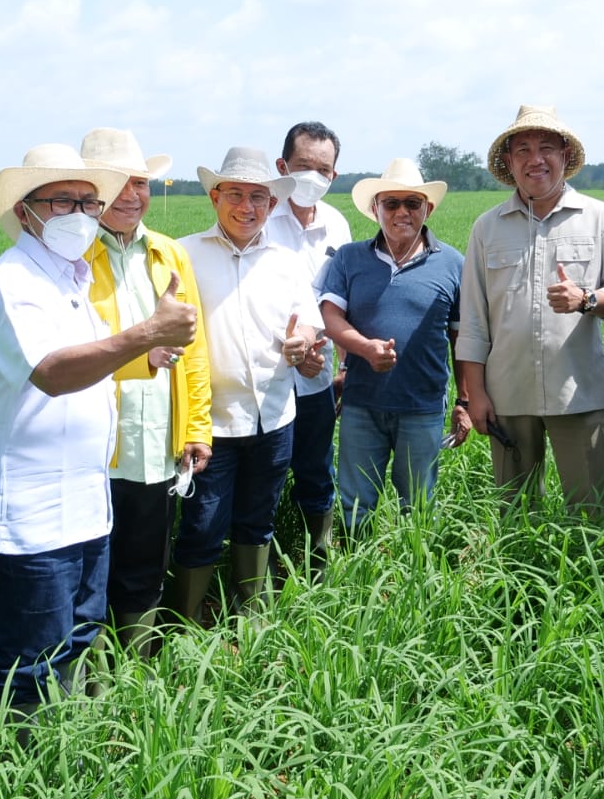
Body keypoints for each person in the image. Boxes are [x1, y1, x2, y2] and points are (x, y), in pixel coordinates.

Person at [0, 144, 197, 717]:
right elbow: (53, 372)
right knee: (31, 667)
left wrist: (149, 352)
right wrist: (144, 335)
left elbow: (95, 362)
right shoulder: (9, 283)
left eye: (90, 202)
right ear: (26, 211)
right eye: (64, 200)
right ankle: (16, 787)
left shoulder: (70, 279)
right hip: (31, 519)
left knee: (78, 644)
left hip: (87, 509)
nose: (82, 213)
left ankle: (63, 769)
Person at [161, 148, 323, 622]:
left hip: (275, 414)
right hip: (208, 425)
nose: (247, 207)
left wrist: (302, 341)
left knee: (258, 520)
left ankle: (251, 617)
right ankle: (188, 624)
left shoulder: (286, 259)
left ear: (272, 205)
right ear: (215, 197)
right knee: (203, 525)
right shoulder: (183, 254)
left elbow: (308, 322)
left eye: (259, 197)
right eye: (235, 194)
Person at [456, 105, 604, 515]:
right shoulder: (487, 227)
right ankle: (517, 578)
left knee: (594, 511)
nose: (536, 159)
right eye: (523, 150)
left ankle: (595, 578)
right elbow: (473, 319)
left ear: (565, 155)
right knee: (514, 512)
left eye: (546, 147)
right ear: (510, 162)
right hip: (507, 394)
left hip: (578, 393)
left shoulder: (599, 218)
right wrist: (474, 394)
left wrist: (587, 299)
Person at [79, 127, 211, 656]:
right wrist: (140, 355)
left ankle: (134, 675)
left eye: (141, 182)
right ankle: (86, 678)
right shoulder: (72, 257)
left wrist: (197, 426)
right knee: (89, 573)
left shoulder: (170, 254)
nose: (133, 195)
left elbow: (194, 349)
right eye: (119, 184)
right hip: (92, 449)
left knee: (144, 565)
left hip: (157, 444)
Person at [319, 159, 468, 530]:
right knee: (355, 503)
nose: (402, 212)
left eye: (412, 204)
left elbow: (461, 338)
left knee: (418, 505)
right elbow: (330, 316)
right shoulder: (349, 257)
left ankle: (414, 580)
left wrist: (464, 401)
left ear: (427, 209)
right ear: (375, 209)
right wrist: (364, 349)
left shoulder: (452, 264)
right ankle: (356, 578)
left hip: (423, 406)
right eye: (391, 204)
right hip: (360, 405)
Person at [266, 122, 353, 577]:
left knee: (316, 471)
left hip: (317, 382)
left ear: (334, 176)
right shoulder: (258, 217)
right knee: (263, 478)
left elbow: (342, 301)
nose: (313, 177)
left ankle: (318, 563)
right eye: (304, 167)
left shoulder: (336, 225)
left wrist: (344, 364)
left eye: (323, 170)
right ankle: (256, 571)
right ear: (282, 167)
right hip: (264, 383)